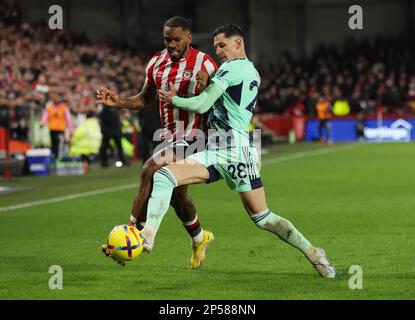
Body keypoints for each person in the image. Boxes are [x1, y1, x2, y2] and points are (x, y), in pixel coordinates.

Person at [145, 23, 335, 278]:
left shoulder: (232, 69)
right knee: (165, 177)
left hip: (231, 150)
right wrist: (208, 83)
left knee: (262, 218)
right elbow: (223, 101)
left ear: (238, 43)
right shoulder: (249, 71)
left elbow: (202, 105)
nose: (219, 51)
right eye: (215, 47)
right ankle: (147, 236)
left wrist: (173, 99)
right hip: (223, 148)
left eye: (222, 45)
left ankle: (313, 252)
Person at [97, 16, 218, 269]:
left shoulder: (204, 63)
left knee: (150, 170)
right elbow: (145, 99)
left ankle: (134, 232)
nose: (171, 44)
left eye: (176, 39)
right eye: (167, 39)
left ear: (188, 38)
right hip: (171, 137)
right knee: (176, 196)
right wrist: (118, 101)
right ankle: (199, 239)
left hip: (198, 137)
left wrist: (207, 87)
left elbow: (219, 99)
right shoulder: (156, 63)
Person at [40, 89, 73, 160]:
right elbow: (46, 116)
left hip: (60, 129)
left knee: (59, 144)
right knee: (54, 144)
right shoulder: (49, 108)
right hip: (52, 129)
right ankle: (55, 157)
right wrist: (42, 123)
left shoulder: (64, 107)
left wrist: (70, 130)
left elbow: (68, 119)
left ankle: (59, 157)